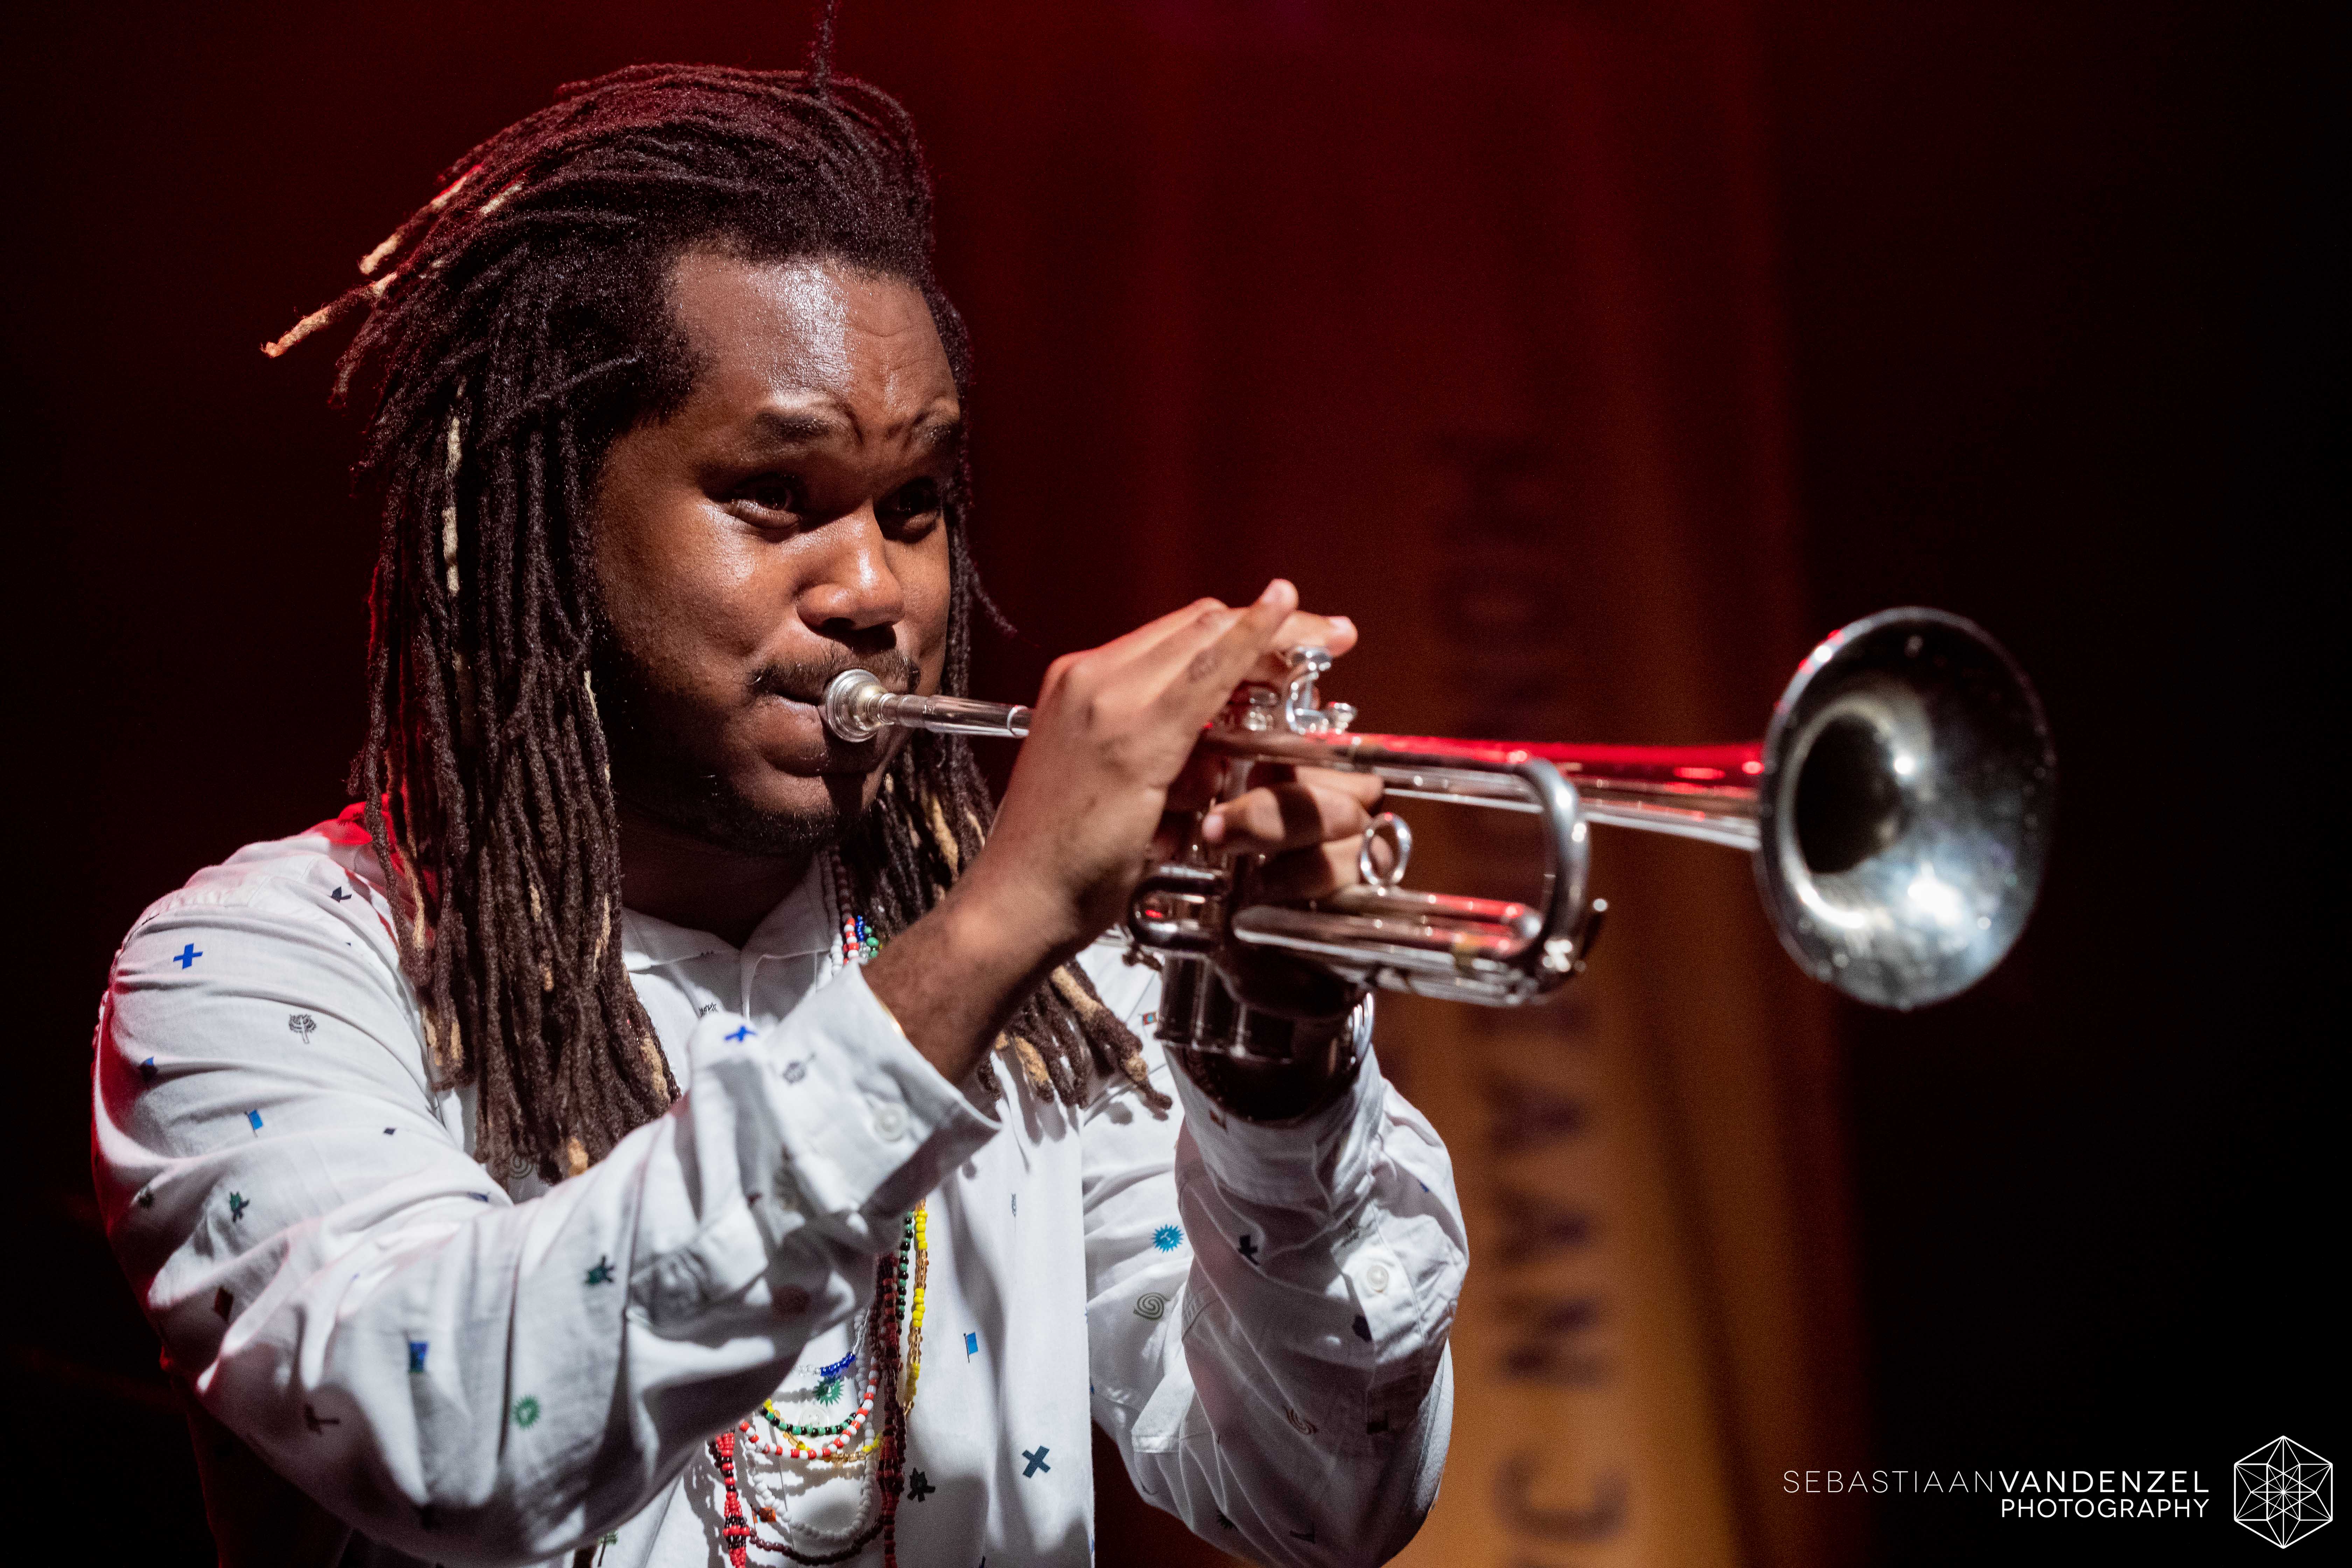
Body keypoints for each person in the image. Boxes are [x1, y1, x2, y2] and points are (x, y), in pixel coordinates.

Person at [92, 61, 1463, 1568]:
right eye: (775, 495)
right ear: (547, 511)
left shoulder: (1061, 996)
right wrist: (998, 924)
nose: (876, 591)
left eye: (914, 504)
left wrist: (1277, 1082)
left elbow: (1322, 1504)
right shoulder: (256, 967)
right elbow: (458, 1435)